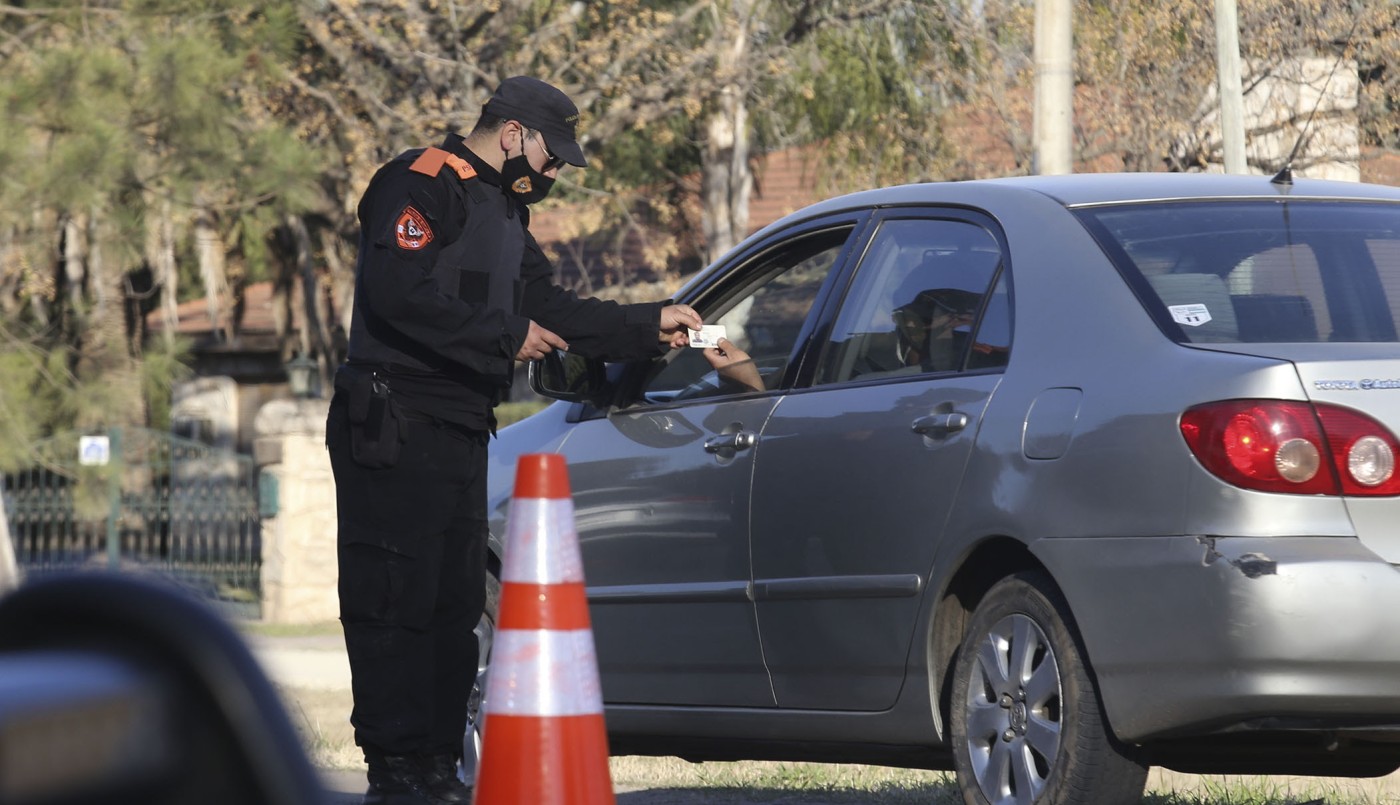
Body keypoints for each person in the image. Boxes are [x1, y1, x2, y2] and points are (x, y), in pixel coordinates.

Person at [325, 75, 702, 805]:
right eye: (551, 155)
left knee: (452, 604)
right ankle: (395, 770)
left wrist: (649, 321)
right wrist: (504, 335)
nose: (554, 171)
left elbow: (550, 306)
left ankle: (436, 765)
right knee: (394, 600)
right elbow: (397, 295)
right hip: (395, 421)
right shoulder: (420, 183)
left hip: (463, 425)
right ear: (513, 134)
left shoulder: (503, 212)